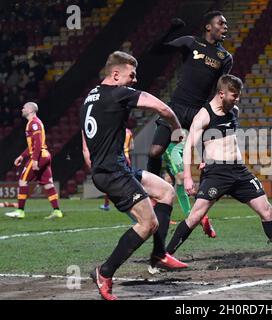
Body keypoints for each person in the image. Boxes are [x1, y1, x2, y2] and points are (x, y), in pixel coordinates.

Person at [166, 74, 272, 272]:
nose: (237, 99)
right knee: (195, 217)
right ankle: (163, 257)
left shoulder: (233, 111)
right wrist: (187, 175)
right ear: (221, 94)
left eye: (238, 96)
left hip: (240, 171)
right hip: (217, 173)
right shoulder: (204, 115)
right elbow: (188, 146)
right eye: (234, 95)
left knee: (267, 211)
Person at [80, 51, 187, 300]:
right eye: (132, 74)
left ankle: (159, 254)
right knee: (148, 223)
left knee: (166, 192)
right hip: (113, 172)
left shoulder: (89, 97)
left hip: (113, 167)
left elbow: (87, 141)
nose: (135, 80)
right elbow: (162, 107)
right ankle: (104, 272)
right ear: (115, 74)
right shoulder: (118, 93)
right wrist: (177, 130)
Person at [146, 11, 233, 238]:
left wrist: (216, 114)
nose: (225, 27)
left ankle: (201, 209)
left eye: (226, 24)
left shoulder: (225, 57)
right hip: (176, 106)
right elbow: (158, 50)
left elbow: (220, 90)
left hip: (198, 111)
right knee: (154, 151)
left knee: (207, 161)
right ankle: (151, 196)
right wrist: (171, 30)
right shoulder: (189, 43)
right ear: (208, 26)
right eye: (221, 23)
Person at [4, 102, 63, 219]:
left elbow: (38, 143)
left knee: (23, 181)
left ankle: (20, 211)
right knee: (48, 184)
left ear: (30, 110)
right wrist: (22, 156)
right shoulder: (34, 122)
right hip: (44, 155)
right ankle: (57, 211)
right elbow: (33, 145)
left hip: (40, 156)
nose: (22, 109)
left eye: (24, 108)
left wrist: (35, 160)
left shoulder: (34, 123)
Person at [99, 127, 134, 211]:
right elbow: (132, 147)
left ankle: (107, 204)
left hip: (118, 157)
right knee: (129, 182)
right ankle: (132, 201)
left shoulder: (116, 130)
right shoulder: (129, 132)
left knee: (110, 181)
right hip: (127, 157)